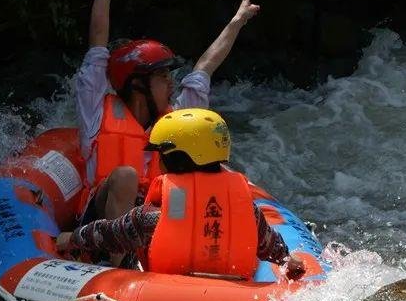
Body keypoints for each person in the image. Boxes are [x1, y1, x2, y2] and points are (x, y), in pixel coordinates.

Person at [76, 0, 262, 253]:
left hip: (155, 222)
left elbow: (205, 66)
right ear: (137, 86)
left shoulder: (177, 118)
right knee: (125, 176)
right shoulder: (95, 114)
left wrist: (237, 21)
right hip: (99, 228)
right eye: (162, 77)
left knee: (220, 176)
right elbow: (97, 44)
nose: (171, 83)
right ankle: (116, 264)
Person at [58, 109, 306, 279]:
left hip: (160, 299)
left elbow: (110, 234)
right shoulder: (246, 210)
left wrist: (72, 238)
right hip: (230, 297)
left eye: (161, 155)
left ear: (175, 158)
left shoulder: (153, 215)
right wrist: (288, 259)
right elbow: (270, 247)